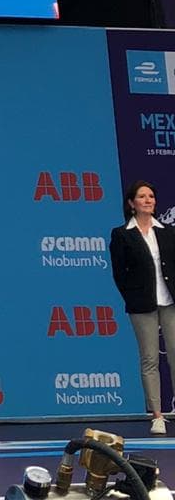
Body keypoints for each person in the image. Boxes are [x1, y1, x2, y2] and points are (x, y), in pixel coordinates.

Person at [109, 181, 175, 435]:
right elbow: (119, 273)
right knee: (149, 359)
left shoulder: (167, 231)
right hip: (142, 304)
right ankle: (157, 415)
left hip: (170, 301)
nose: (148, 200)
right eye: (142, 196)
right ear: (131, 203)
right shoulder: (122, 234)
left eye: (151, 196)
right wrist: (133, 296)